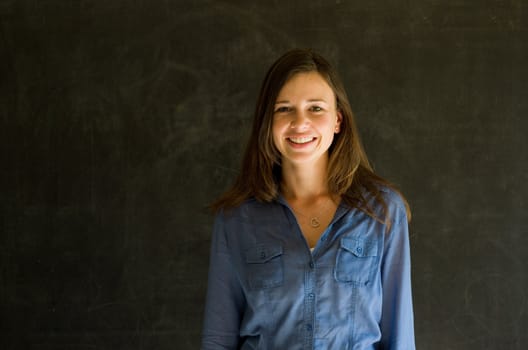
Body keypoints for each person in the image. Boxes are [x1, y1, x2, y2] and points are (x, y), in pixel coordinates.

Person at [201, 49, 415, 350]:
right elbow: (218, 340)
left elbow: (400, 338)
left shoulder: (381, 211)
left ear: (338, 120)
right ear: (268, 122)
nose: (300, 123)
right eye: (284, 109)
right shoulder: (236, 219)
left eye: (315, 108)